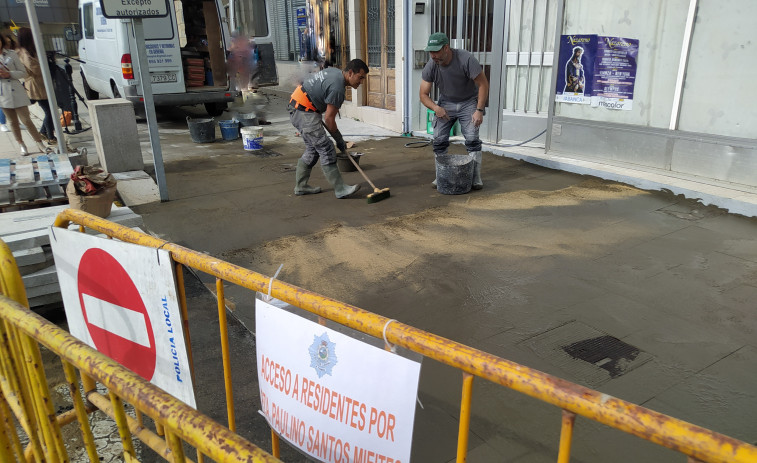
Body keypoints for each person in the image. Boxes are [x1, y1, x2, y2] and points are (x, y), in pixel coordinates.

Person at [288, 58, 368, 198]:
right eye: (360, 78)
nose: (361, 82)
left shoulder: (334, 72)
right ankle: (340, 189)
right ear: (350, 73)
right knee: (326, 147)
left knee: (313, 149)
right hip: (304, 111)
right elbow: (329, 119)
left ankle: (301, 186)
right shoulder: (338, 88)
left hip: (300, 106)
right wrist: (339, 140)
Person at [420, 32, 489, 190]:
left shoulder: (466, 59)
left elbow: (483, 85)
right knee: (438, 140)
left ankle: (475, 178)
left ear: (446, 48)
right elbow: (423, 94)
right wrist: (436, 108)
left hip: (468, 102)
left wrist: (479, 110)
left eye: (436, 51)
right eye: (431, 52)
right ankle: (441, 176)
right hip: (446, 102)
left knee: (472, 138)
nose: (433, 55)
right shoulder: (431, 65)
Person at [0, 32, 47, 155]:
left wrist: (9, 74)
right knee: (12, 122)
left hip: (17, 91)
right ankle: (21, 145)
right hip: (2, 93)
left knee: (26, 120)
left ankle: (39, 143)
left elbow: (23, 73)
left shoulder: (11, 54)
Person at [17, 27, 56, 144]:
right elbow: (35, 69)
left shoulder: (31, 50)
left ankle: (44, 132)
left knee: (50, 110)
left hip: (40, 84)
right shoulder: (24, 52)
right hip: (36, 85)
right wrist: (44, 62)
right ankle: (50, 136)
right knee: (50, 111)